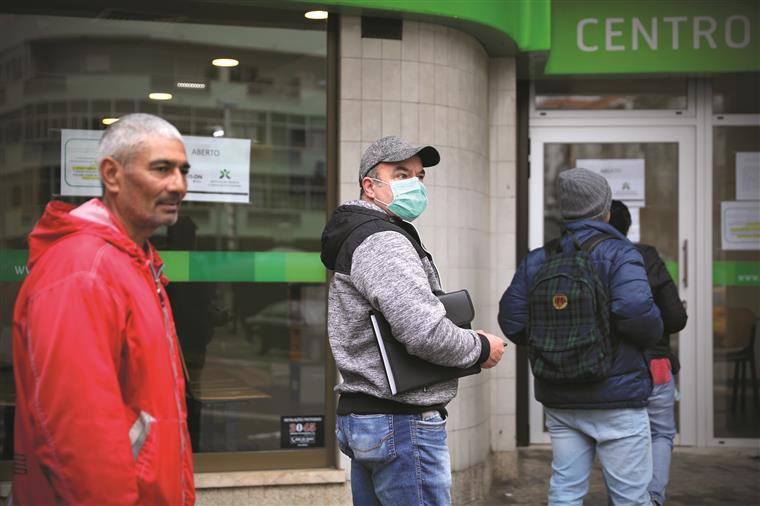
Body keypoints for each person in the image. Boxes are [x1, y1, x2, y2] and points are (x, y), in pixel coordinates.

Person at [12, 113, 195, 505]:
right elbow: (79, 436)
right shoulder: (82, 271)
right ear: (111, 174)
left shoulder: (134, 262)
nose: (178, 185)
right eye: (162, 169)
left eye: (183, 171)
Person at [320, 135, 505, 505]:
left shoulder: (363, 234)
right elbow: (423, 332)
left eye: (419, 176)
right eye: (402, 174)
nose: (415, 185)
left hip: (371, 416)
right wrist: (481, 346)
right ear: (369, 186)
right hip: (400, 422)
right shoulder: (382, 241)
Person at [498, 168, 663, 506]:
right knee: (630, 498)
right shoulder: (621, 254)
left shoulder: (539, 258)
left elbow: (511, 321)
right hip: (617, 397)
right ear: (605, 209)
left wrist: (557, 343)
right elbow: (637, 315)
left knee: (565, 491)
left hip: (560, 396)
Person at [609, 200, 688, 506]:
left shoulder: (592, 258)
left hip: (614, 366)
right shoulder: (647, 256)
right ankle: (653, 498)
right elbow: (676, 318)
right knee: (660, 433)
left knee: (619, 437)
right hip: (655, 364)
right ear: (627, 227)